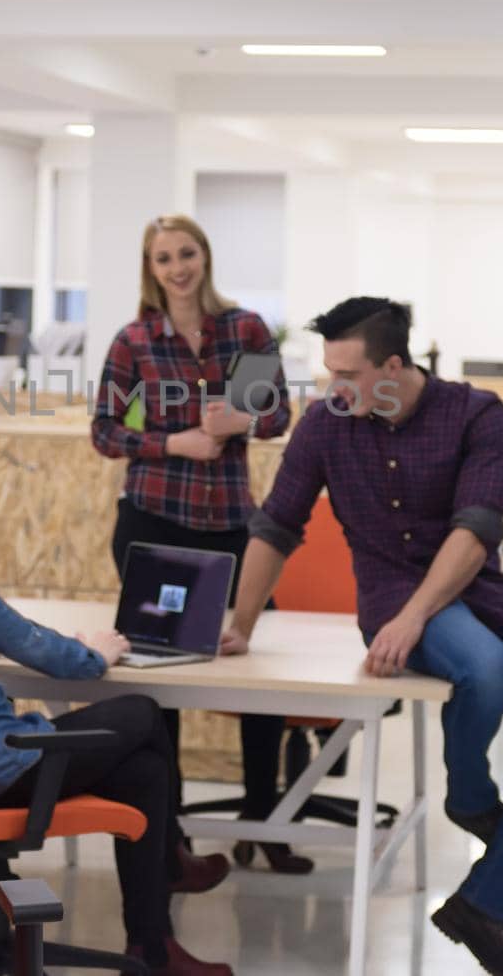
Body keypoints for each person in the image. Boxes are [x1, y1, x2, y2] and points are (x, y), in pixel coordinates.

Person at [218, 297, 503, 976]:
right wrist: (240, 624)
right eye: (327, 371)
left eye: (346, 372)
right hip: (391, 598)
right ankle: (474, 801)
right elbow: (278, 525)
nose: (331, 387)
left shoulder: (474, 414)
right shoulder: (326, 425)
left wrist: (415, 618)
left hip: (476, 598)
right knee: (483, 668)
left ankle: (482, 905)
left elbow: (477, 527)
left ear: (393, 367)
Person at [0, 419, 233, 976]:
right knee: (143, 713)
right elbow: (55, 658)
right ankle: (167, 880)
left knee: (145, 772)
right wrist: (99, 650)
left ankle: (154, 944)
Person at [91, 214, 309, 874]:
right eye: (164, 258)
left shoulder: (241, 330)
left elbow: (277, 417)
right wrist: (172, 441)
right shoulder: (136, 339)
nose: (178, 267)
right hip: (155, 523)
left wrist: (239, 417)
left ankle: (262, 824)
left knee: (256, 680)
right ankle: (172, 835)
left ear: (205, 257)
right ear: (150, 268)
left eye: (187, 253)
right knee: (166, 682)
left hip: (232, 527)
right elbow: (104, 430)